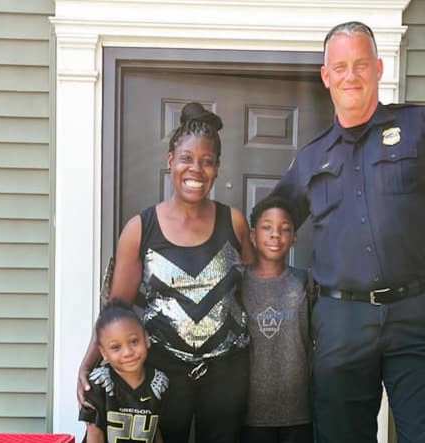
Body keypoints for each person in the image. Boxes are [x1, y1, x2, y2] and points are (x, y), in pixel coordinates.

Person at [270, 21, 425, 443]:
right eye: (340, 67)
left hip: (419, 311)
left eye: (360, 64)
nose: (350, 76)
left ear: (379, 67)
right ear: (326, 76)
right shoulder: (311, 158)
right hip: (342, 321)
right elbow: (271, 227)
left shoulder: (423, 127)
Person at [77, 102, 254, 443]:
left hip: (227, 371)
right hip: (162, 372)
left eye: (207, 161)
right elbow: (117, 310)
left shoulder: (234, 222)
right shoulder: (140, 229)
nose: (196, 169)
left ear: (217, 168)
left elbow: (253, 293)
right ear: (170, 161)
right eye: (186, 158)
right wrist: (88, 365)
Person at [240, 196, 314, 443]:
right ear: (253, 235)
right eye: (267, 227)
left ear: (294, 238)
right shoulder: (238, 284)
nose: (275, 235)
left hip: (300, 411)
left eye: (285, 229)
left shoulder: (305, 282)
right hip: (250, 414)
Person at [80, 300, 168, 443]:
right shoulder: (98, 384)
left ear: (146, 339)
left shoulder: (159, 382)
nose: (127, 352)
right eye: (116, 347)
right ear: (104, 353)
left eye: (134, 341)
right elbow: (94, 434)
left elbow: (156, 431)